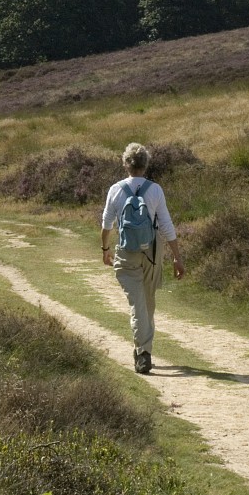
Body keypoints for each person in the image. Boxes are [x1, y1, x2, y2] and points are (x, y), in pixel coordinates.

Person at [101, 142, 184, 374]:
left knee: (138, 303)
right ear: (145, 165)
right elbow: (166, 225)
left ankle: (143, 352)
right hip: (152, 251)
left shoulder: (115, 189)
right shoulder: (155, 190)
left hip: (126, 250)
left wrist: (105, 249)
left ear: (126, 164)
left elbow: (107, 224)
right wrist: (177, 257)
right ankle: (143, 351)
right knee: (147, 302)